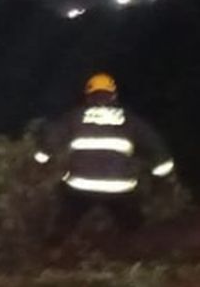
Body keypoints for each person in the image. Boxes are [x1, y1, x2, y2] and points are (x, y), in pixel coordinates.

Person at [36, 73, 175, 244]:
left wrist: (41, 159)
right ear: (114, 95)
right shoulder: (129, 120)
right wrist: (161, 176)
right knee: (134, 226)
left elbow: (51, 139)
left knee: (64, 220)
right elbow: (155, 144)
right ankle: (139, 249)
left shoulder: (75, 117)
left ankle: (51, 249)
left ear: (88, 95)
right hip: (120, 188)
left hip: (81, 185)